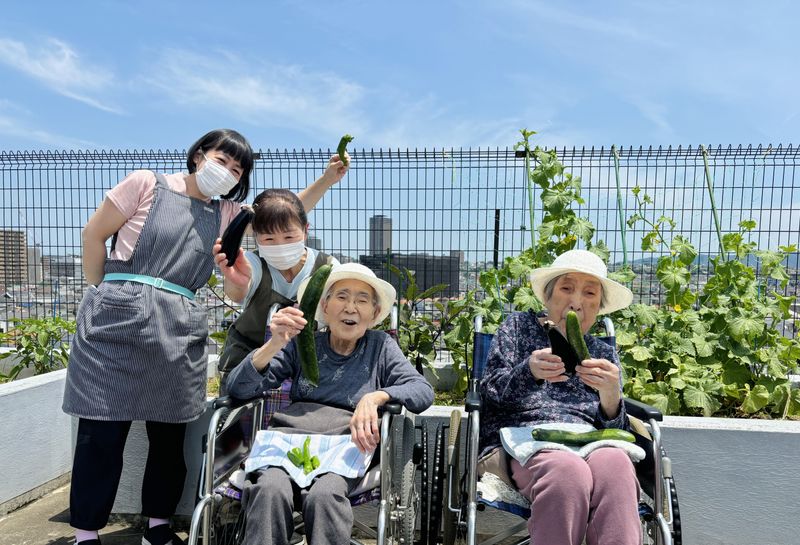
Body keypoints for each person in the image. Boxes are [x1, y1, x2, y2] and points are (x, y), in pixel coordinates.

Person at [61, 129, 347, 545]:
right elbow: (94, 233)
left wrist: (325, 180)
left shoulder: (228, 212)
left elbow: (280, 219)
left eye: (237, 169)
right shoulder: (147, 183)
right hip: (116, 321)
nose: (228, 172)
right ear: (198, 155)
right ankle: (86, 532)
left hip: (177, 327)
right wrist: (103, 294)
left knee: (169, 434)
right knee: (101, 431)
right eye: (223, 160)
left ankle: (157, 527)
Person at [226, 262, 434, 545]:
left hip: (343, 451)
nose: (351, 307)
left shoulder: (380, 347)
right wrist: (274, 344)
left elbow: (422, 391)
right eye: (341, 297)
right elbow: (237, 388)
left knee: (325, 495)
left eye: (362, 300)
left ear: (373, 314)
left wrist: (375, 397)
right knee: (269, 490)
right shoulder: (301, 343)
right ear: (323, 307)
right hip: (287, 444)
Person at [479, 249, 640, 545]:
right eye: (567, 288)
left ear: (598, 306)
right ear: (547, 297)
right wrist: (528, 372)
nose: (576, 302)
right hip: (522, 441)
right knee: (568, 471)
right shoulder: (517, 329)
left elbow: (617, 428)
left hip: (590, 441)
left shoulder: (603, 353)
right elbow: (490, 396)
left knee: (617, 465)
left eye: (589, 294)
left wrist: (610, 395)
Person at [214, 187, 339, 387]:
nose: (280, 245)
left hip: (305, 365)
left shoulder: (328, 267)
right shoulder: (250, 263)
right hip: (249, 359)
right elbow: (237, 293)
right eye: (269, 239)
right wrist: (236, 281)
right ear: (256, 237)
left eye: (289, 237)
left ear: (306, 230)